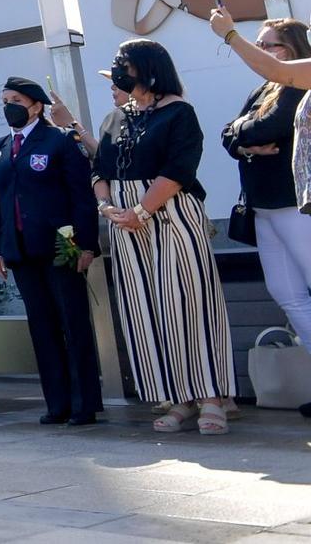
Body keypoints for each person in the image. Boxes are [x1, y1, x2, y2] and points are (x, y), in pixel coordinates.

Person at [96, 37, 233, 434]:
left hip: (171, 216)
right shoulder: (115, 118)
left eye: (125, 63)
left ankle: (212, 395)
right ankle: (177, 396)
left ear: (147, 68)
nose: (119, 70)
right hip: (124, 223)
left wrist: (142, 210)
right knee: (148, 309)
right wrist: (107, 208)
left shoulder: (178, 113)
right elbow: (99, 169)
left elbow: (178, 169)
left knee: (191, 303)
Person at [0, 78, 101, 426]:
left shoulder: (60, 141)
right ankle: (57, 403)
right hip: (19, 251)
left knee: (72, 322)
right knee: (42, 327)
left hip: (60, 248)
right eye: (4, 100)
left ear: (35, 105)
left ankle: (84, 403)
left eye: (15, 100)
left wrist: (87, 243)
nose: (9, 106)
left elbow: (82, 196)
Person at [215, 16, 311, 345]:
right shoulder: (263, 89)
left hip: (294, 204)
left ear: (292, 48)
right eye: (259, 45)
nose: (261, 51)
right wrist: (244, 139)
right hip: (264, 207)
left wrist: (242, 133)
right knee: (287, 293)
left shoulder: (297, 84)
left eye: (268, 45)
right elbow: (227, 133)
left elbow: (273, 125)